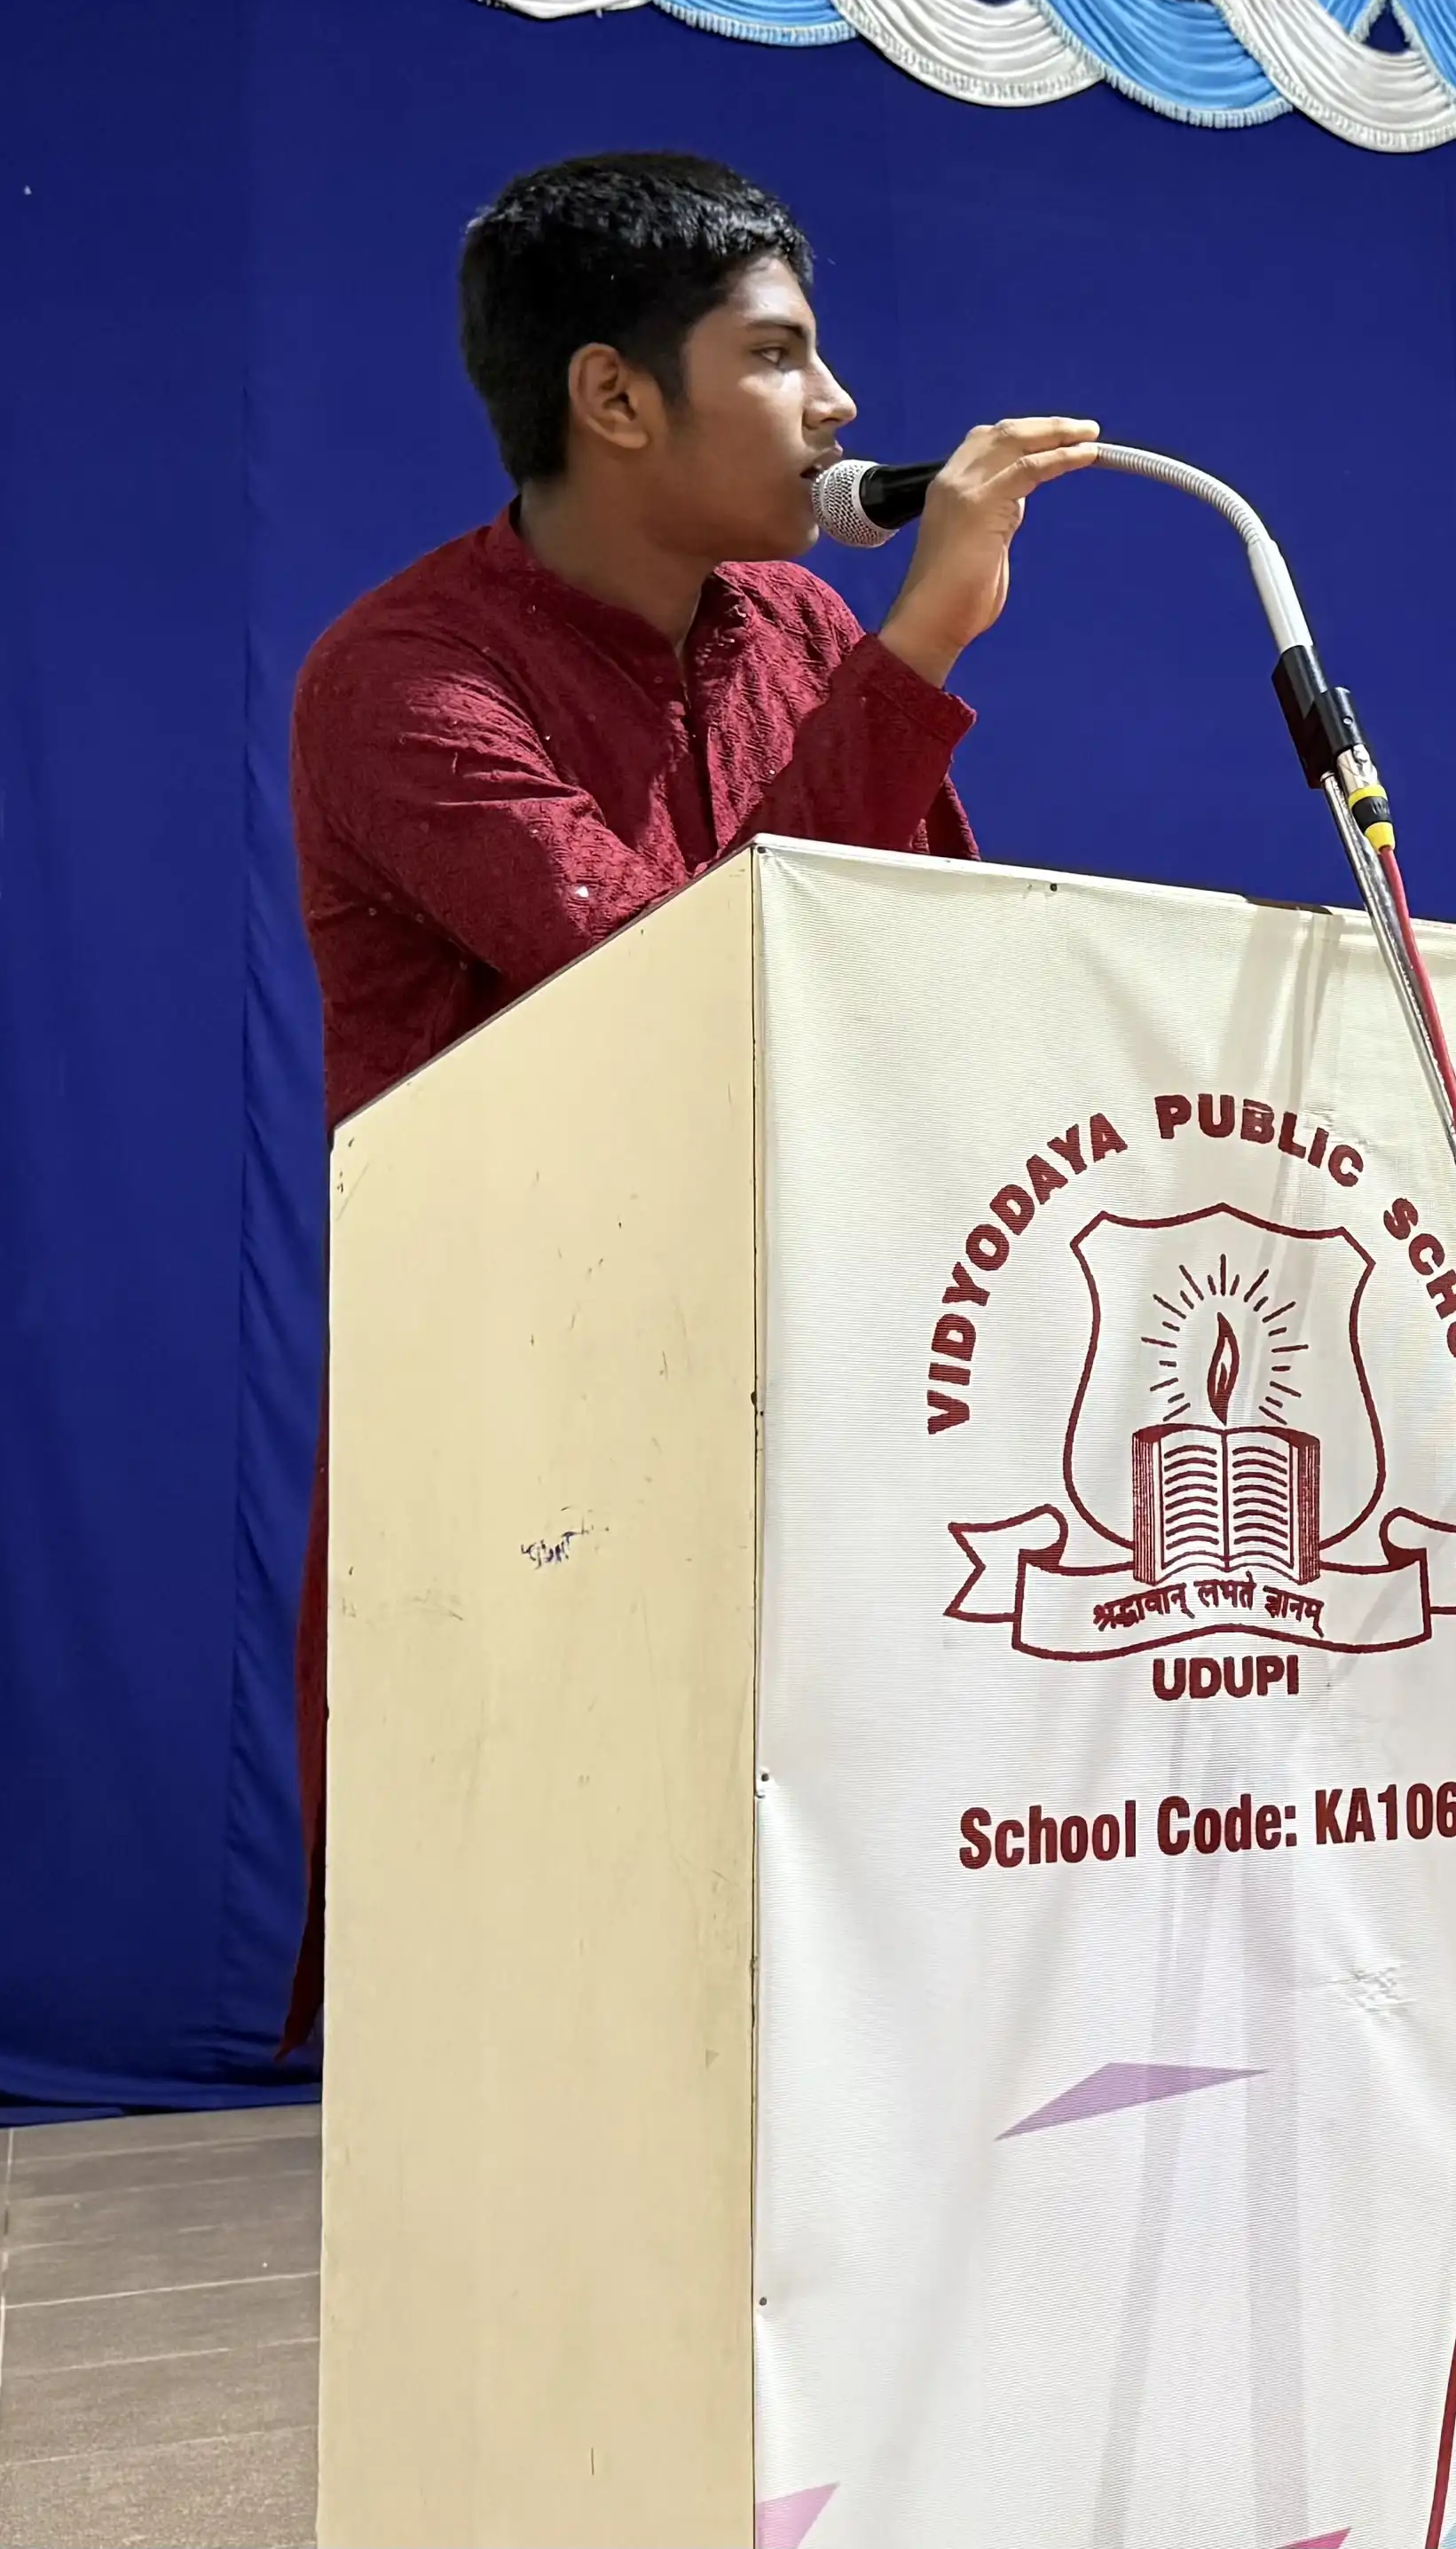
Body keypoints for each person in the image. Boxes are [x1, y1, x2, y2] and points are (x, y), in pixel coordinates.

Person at [281, 153, 1106, 2042]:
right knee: (567, 2028)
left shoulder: (797, 633)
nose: (842, 408)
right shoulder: (407, 680)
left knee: (835, 2021)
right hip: (533, 1431)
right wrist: (924, 650)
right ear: (615, 396)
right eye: (782, 354)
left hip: (806, 1404)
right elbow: (681, 996)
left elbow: (926, 960)